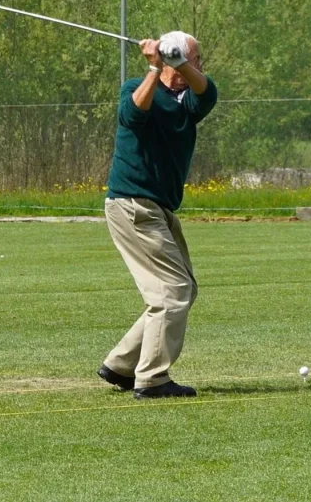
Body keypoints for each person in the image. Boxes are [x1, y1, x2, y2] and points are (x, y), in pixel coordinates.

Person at [97, 31, 218, 399]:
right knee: (172, 292)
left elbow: (206, 91)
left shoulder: (191, 100)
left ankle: (121, 365)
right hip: (133, 204)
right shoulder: (137, 86)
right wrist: (154, 67)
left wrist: (178, 60)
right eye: (190, 59)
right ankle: (151, 378)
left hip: (158, 207)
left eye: (194, 59)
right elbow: (133, 115)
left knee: (183, 289)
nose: (194, 65)